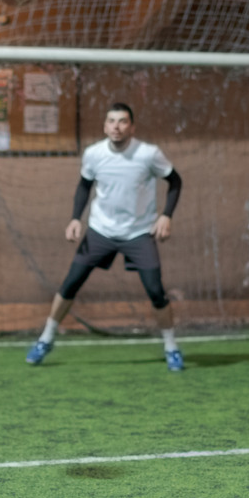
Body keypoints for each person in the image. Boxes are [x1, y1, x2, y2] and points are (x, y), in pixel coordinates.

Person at [25, 103, 185, 371]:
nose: (116, 126)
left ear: (131, 127)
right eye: (111, 121)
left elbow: (176, 181)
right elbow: (84, 186)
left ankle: (171, 347)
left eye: (122, 122)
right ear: (104, 126)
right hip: (100, 231)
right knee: (70, 284)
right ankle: (46, 338)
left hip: (138, 232)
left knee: (156, 291)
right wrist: (76, 218)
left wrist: (166, 215)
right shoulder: (94, 154)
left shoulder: (148, 154)